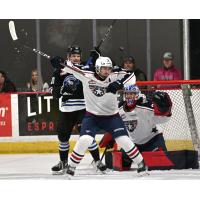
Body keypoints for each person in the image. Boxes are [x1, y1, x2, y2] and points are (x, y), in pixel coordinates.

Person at [60, 56, 148, 176]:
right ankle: (71, 166)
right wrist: (59, 62)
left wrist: (119, 83)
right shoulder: (86, 74)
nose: (107, 71)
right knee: (85, 140)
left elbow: (131, 75)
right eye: (104, 68)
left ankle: (141, 163)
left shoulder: (115, 74)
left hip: (112, 117)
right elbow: (70, 67)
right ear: (97, 68)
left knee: (123, 140)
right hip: (92, 117)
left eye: (109, 68)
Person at [49, 45, 106, 174]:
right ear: (68, 57)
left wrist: (97, 57)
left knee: (87, 135)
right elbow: (53, 91)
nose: (76, 58)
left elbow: (99, 74)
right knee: (63, 137)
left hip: (84, 108)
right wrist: (63, 89)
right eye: (73, 56)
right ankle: (63, 162)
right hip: (66, 110)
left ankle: (96, 161)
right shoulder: (59, 70)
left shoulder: (86, 68)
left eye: (78, 56)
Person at [119, 85, 172, 153]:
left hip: (152, 140)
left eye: (132, 93)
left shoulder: (146, 107)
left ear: (137, 95)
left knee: (161, 161)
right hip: (134, 143)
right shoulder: (119, 109)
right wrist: (111, 135)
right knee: (120, 160)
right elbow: (116, 123)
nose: (129, 96)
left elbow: (164, 119)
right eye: (127, 94)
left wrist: (166, 111)